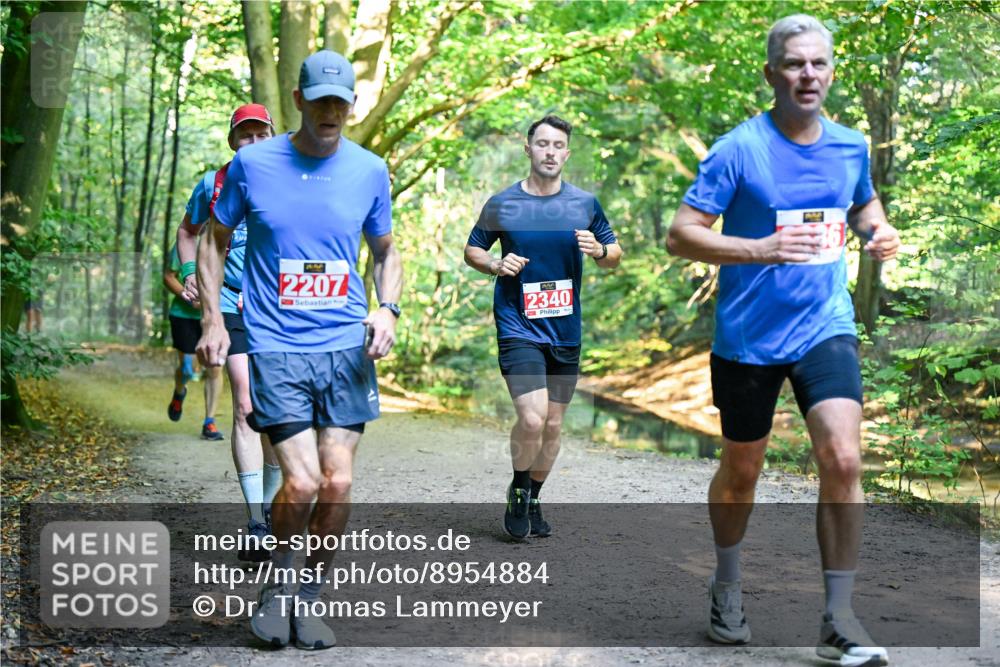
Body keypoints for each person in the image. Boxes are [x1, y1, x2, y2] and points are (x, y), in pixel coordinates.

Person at [666, 14, 900, 667]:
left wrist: (877, 231)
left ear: (831, 71)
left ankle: (838, 615)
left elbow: (863, 203)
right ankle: (728, 585)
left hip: (825, 323)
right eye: (794, 64)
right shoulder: (738, 149)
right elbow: (681, 233)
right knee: (743, 471)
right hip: (748, 337)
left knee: (844, 459)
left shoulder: (850, 145)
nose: (808, 75)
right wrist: (759, 247)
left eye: (818, 64)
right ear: (772, 73)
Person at [196, 50, 401, 650]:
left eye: (342, 102)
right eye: (321, 101)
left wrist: (386, 308)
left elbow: (387, 252)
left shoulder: (370, 170)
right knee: (304, 481)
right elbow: (214, 240)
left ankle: (308, 596)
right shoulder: (253, 165)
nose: (331, 112)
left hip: (345, 350)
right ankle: (278, 587)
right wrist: (214, 317)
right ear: (298, 100)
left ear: (352, 106)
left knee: (337, 483)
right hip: (276, 346)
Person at [464, 115, 622, 540]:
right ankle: (518, 487)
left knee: (553, 425)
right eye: (542, 144)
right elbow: (473, 249)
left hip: (565, 330)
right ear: (528, 149)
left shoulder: (584, 204)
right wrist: (497, 264)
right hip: (519, 325)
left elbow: (615, 254)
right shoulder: (504, 204)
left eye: (558, 146)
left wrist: (601, 249)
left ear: (566, 154)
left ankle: (534, 496)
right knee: (532, 420)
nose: (550, 152)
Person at [178, 103, 281, 562]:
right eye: (245, 135)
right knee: (244, 404)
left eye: (261, 135)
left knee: (277, 413)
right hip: (230, 303)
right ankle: (256, 520)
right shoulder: (212, 184)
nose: (253, 143)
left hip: (280, 309)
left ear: (274, 138)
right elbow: (188, 232)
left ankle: (276, 511)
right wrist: (189, 272)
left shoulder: (291, 181)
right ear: (232, 140)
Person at [163, 242, 224, 440]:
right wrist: (188, 297)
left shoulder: (230, 241)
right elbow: (168, 276)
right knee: (187, 370)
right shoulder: (186, 243)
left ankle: (209, 421)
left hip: (214, 315)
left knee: (214, 367)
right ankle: (179, 392)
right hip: (183, 315)